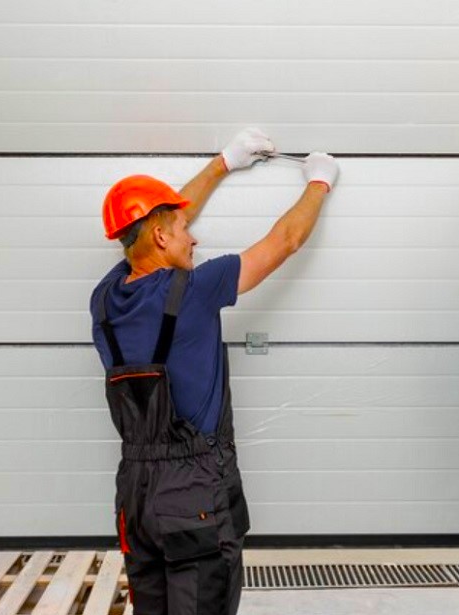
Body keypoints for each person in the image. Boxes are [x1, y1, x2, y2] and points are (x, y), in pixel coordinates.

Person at [91, 128, 338, 615]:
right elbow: (286, 240)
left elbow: (160, 225)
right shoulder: (196, 290)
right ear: (161, 237)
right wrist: (319, 182)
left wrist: (224, 163)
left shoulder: (106, 297)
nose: (193, 234)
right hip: (193, 493)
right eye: (182, 231)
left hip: (136, 495)